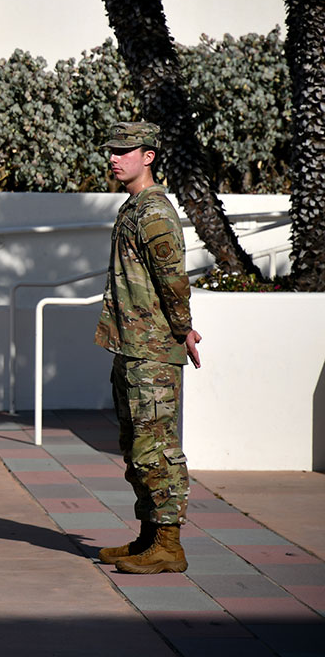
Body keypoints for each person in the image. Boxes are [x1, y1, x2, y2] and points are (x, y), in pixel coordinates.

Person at [93, 121, 202, 575]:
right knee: (136, 446)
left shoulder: (154, 212)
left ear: (149, 155)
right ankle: (148, 537)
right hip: (132, 347)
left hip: (152, 351)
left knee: (156, 448)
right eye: (112, 151)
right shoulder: (133, 207)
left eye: (125, 150)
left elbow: (173, 279)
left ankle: (169, 545)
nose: (115, 158)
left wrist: (184, 328)